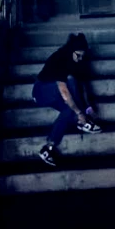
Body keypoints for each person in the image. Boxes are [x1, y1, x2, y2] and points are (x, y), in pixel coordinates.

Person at [32, 32, 102, 167]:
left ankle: (48, 149)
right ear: (71, 51)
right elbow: (64, 91)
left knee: (69, 109)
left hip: (58, 93)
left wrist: (87, 108)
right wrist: (80, 113)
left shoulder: (78, 61)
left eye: (83, 55)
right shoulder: (60, 58)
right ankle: (82, 121)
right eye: (78, 55)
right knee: (70, 82)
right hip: (42, 91)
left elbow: (82, 87)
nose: (81, 58)